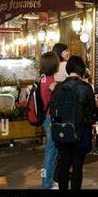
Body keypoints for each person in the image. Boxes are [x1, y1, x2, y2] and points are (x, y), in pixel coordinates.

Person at [50, 56, 96, 190]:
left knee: (64, 164)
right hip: (82, 131)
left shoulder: (58, 87)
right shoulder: (86, 87)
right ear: (81, 69)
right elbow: (92, 108)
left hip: (62, 130)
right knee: (77, 166)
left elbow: (52, 109)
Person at [40, 52, 60, 189]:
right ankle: (47, 184)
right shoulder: (50, 82)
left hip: (45, 118)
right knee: (51, 153)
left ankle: (49, 181)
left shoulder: (42, 79)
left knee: (50, 152)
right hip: (50, 118)